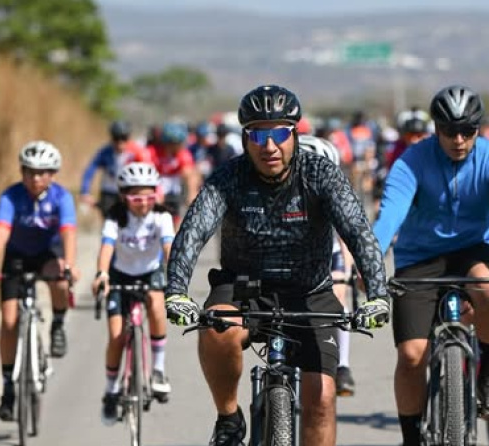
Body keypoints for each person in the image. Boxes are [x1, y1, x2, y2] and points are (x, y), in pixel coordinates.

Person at [162, 85, 391, 446]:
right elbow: (192, 233)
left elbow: (359, 233)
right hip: (242, 286)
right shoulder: (229, 177)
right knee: (217, 330)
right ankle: (228, 418)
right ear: (246, 137)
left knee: (322, 397)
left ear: (294, 134)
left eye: (280, 133)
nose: (270, 146)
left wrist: (377, 293)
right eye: (259, 134)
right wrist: (176, 291)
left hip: (309, 292)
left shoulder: (321, 175)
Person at [372, 85, 489, 446]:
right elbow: (390, 216)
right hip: (419, 256)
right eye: (449, 131)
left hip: (474, 249)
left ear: (479, 129)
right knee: (412, 353)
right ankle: (410, 436)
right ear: (436, 129)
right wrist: (369, 260)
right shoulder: (412, 161)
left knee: (488, 285)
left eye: (468, 130)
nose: (459, 139)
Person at [0, 141, 81, 421]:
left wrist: (70, 264)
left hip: (49, 254)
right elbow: (2, 230)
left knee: (60, 281)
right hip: (17, 256)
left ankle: (58, 323)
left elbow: (69, 231)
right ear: (22, 172)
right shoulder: (10, 196)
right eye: (30, 172)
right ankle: (8, 387)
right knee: (9, 322)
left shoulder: (62, 197)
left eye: (42, 172)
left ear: (53, 174)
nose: (36, 178)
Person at [90, 162, 174, 425]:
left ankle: (158, 370)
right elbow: (106, 247)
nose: (143, 203)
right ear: (124, 197)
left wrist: (175, 275)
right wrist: (102, 274)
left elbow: (169, 246)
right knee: (116, 337)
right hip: (119, 275)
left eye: (150, 196)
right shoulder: (115, 217)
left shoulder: (162, 216)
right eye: (136, 197)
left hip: (150, 273)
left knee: (157, 306)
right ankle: (111, 390)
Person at [296, 134, 357, 396]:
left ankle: (342, 365)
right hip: (286, 257)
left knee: (339, 292)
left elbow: (348, 236)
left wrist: (349, 271)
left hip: (327, 254)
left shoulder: (335, 193)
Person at [80, 120, 151, 218]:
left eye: (124, 138)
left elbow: (148, 172)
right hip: (108, 193)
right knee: (109, 222)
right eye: (116, 139)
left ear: (129, 138)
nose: (120, 143)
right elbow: (90, 170)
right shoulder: (105, 152)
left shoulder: (137, 152)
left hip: (128, 192)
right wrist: (85, 192)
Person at [147, 122, 201, 226]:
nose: (181, 146)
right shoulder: (152, 152)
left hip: (173, 191)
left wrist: (192, 194)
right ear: (169, 143)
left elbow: (190, 175)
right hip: (155, 186)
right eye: (178, 143)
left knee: (175, 220)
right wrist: (157, 192)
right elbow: (148, 174)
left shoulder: (183, 154)